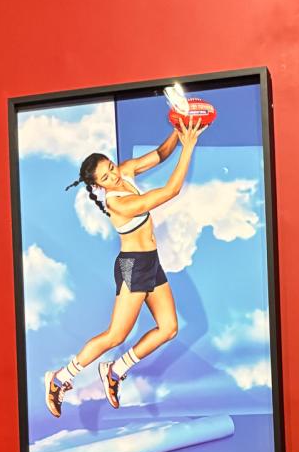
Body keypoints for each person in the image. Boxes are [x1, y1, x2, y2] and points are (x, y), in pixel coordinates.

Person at [43, 115, 205, 418]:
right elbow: (170, 191)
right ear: (98, 185)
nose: (114, 177)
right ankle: (60, 378)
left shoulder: (126, 171)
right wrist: (189, 146)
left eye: (111, 168)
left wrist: (178, 129)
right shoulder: (116, 202)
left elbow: (160, 154)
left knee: (168, 328)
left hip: (151, 261)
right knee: (115, 336)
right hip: (133, 267)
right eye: (106, 178)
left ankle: (116, 370)